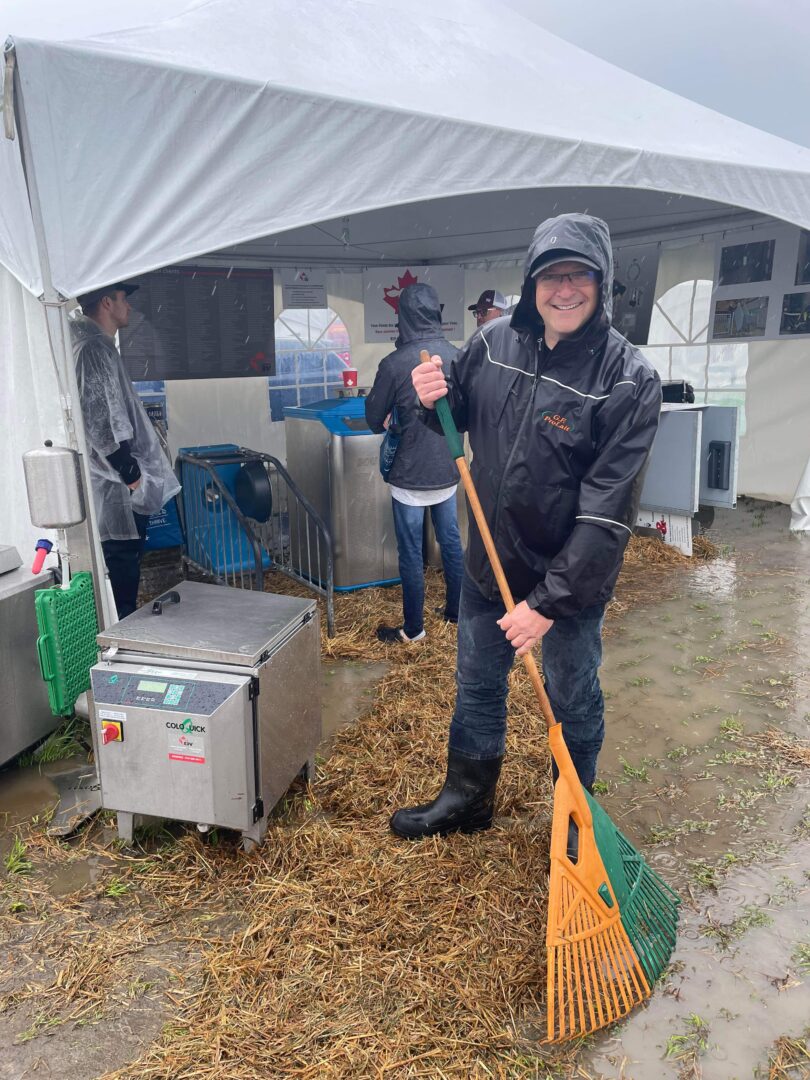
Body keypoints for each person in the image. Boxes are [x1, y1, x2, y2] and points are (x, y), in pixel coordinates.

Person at [390, 213, 662, 840]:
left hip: (569, 581)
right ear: (531, 281)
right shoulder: (490, 345)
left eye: (579, 276)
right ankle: (467, 797)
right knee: (478, 685)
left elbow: (605, 511)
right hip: (491, 562)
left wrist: (547, 604)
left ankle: (576, 814)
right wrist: (432, 395)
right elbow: (455, 419)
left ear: (603, 282)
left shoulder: (628, 380)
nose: (563, 290)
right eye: (550, 276)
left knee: (571, 697)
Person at [70, 283, 181, 618]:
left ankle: (122, 636)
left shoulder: (96, 346)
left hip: (117, 485)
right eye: (123, 299)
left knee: (123, 569)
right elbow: (100, 422)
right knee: (122, 574)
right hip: (117, 488)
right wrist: (132, 476)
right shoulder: (94, 349)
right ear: (107, 302)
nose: (129, 307)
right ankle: (120, 651)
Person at [365, 283, 464, 643]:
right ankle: (456, 613)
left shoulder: (394, 364)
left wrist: (391, 417)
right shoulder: (457, 355)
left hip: (409, 474)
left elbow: (373, 418)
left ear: (401, 317)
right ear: (437, 314)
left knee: (410, 550)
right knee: (451, 541)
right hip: (449, 467)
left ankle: (414, 629)